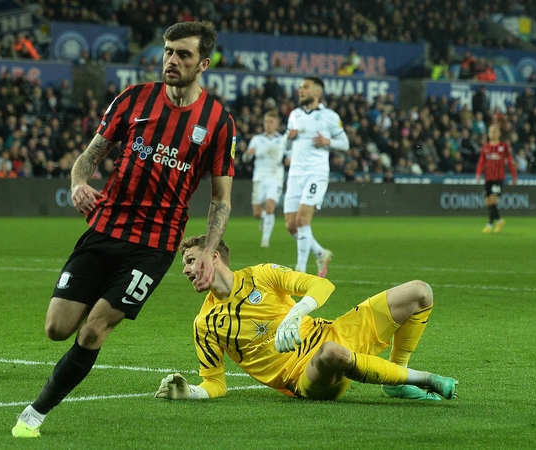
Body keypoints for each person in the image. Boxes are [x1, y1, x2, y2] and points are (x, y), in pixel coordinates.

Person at [12, 20, 236, 438]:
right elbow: (90, 155)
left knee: (94, 329)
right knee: (57, 328)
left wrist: (208, 250)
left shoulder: (218, 122)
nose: (172, 60)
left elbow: (220, 199)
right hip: (105, 229)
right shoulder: (133, 99)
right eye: (168, 51)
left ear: (203, 63)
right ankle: (91, 314)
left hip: (154, 246)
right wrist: (78, 183)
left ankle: (35, 413)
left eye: (183, 54)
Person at [154, 235, 458, 402]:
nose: (186, 270)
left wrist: (296, 312)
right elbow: (214, 382)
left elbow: (322, 285)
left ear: (214, 256)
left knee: (420, 292)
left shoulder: (262, 275)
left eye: (191, 261)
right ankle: (424, 378)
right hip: (307, 375)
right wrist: (192, 392)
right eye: (185, 265)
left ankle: (397, 381)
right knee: (332, 353)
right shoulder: (205, 323)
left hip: (336, 331)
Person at [284, 76, 349, 276]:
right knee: (291, 225)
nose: (301, 90)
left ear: (317, 92)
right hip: (295, 174)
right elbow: (287, 147)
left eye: (306, 87)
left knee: (302, 220)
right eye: (300, 87)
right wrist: (289, 140)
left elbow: (345, 143)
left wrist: (328, 142)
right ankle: (321, 253)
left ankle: (300, 270)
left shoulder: (329, 116)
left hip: (316, 172)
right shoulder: (294, 115)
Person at [242, 110, 286, 248]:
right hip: (259, 178)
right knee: (257, 212)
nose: (268, 124)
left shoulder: (283, 140)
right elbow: (245, 158)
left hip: (276, 177)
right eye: (266, 121)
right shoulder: (256, 139)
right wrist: (248, 155)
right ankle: (264, 219)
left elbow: (291, 155)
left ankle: (265, 240)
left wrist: (289, 160)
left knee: (270, 207)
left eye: (271, 122)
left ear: (277, 124)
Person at [475, 123, 517, 233]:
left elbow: (510, 161)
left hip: (498, 178)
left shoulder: (504, 146)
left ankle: (489, 225)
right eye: (491, 132)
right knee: (488, 202)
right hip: (488, 178)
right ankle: (499, 221)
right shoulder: (485, 148)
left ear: (499, 133)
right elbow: (481, 162)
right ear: (488, 134)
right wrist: (478, 173)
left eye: (495, 132)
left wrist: (514, 176)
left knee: (493, 200)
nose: (493, 134)